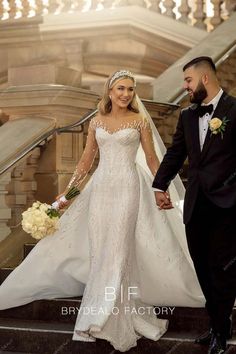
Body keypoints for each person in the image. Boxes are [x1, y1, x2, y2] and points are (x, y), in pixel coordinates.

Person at [0, 70, 203, 352]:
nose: (126, 94)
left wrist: (161, 190)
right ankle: (106, 312)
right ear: (110, 91)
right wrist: (65, 197)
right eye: (120, 89)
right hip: (101, 191)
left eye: (130, 89)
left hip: (128, 189)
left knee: (119, 249)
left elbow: (154, 161)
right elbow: (84, 164)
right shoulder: (96, 122)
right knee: (101, 251)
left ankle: (103, 316)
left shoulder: (140, 120)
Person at [153, 56, 236, 354]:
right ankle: (217, 323)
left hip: (227, 205)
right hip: (196, 203)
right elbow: (176, 153)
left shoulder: (234, 109)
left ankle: (220, 328)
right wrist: (159, 184)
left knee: (222, 268)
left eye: (188, 80)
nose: (185, 86)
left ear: (204, 79)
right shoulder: (188, 116)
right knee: (201, 265)